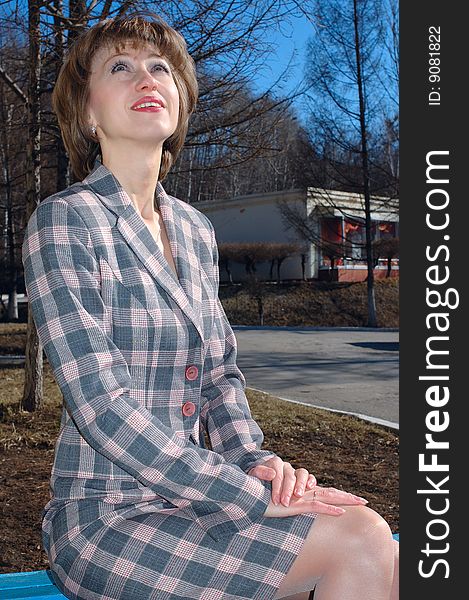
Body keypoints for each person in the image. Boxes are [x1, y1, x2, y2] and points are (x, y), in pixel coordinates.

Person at [22, 12, 399, 600]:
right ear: (88, 114)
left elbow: (219, 374)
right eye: (120, 67)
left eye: (160, 68)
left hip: (202, 503)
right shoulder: (66, 220)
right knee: (357, 541)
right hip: (108, 521)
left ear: (179, 101)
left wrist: (255, 462)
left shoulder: (195, 230)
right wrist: (242, 493)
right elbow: (101, 407)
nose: (146, 78)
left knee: (373, 539)